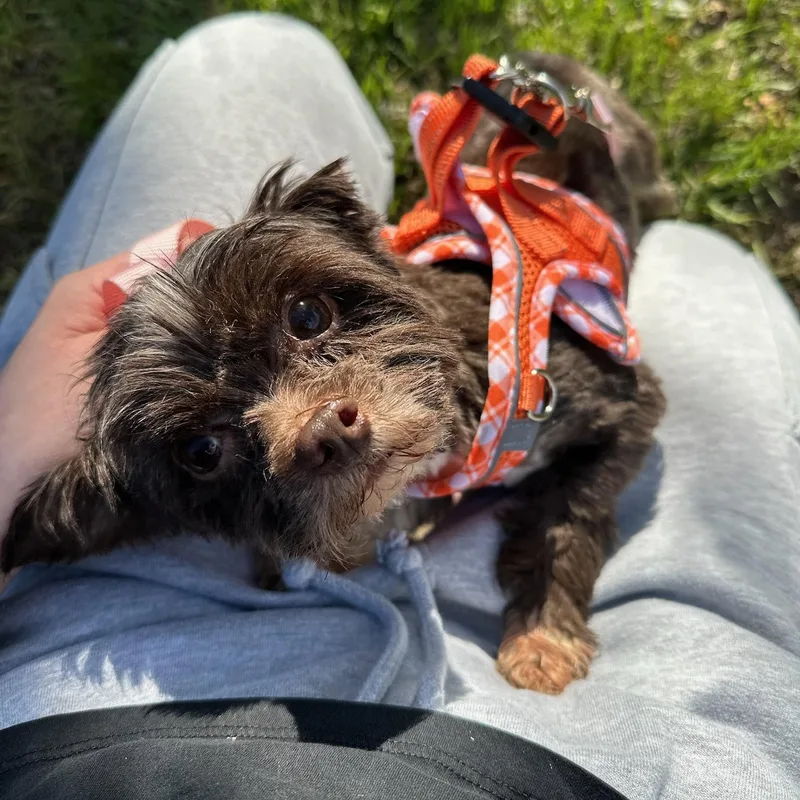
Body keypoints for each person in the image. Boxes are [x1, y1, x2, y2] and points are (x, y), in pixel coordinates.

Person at [0, 12, 798, 800]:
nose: (311, 423)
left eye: (311, 321)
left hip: (572, 193)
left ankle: (646, 188)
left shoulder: (532, 380)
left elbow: (630, 407)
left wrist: (552, 583)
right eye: (205, 449)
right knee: (710, 273)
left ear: (364, 243)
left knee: (254, 50)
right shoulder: (127, 495)